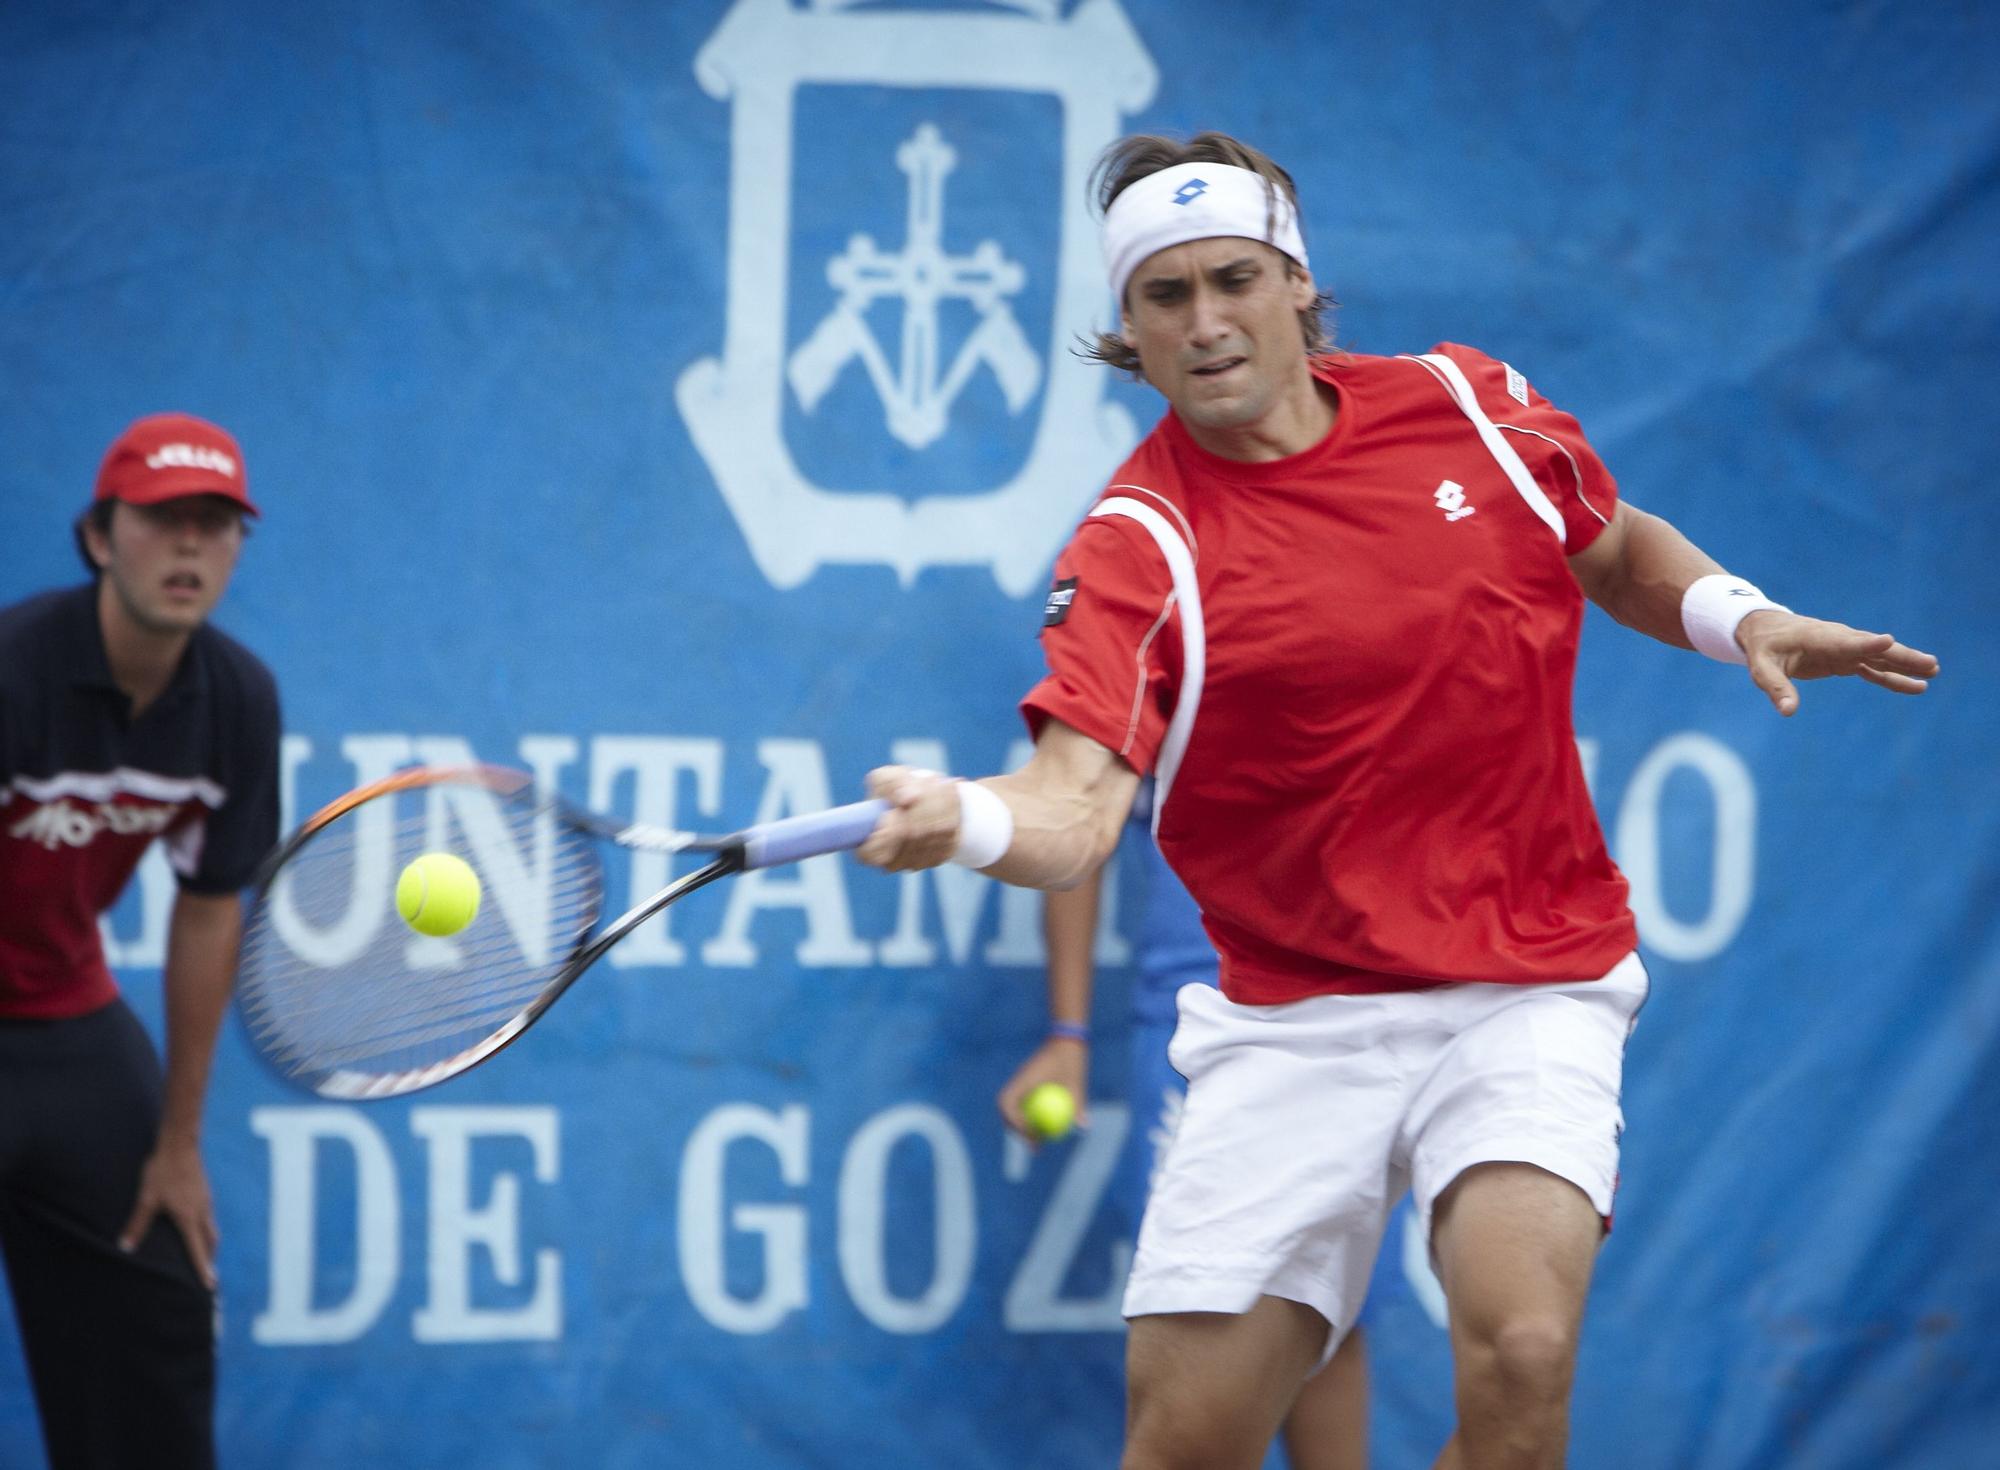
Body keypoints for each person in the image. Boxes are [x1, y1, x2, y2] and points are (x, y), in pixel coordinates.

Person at [858, 131, 1938, 1470]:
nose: (1206, 321)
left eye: (1234, 279)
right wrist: (963, 817)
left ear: (1300, 287)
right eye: (1166, 297)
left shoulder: (1468, 404)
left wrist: (1741, 615)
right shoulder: (1139, 545)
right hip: (1295, 1020)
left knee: (1524, 1355)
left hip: (1530, 977)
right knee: (1186, 1441)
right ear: (1126, 333)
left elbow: (1609, 546)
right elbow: (1074, 810)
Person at [0, 413, 280, 1470]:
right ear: (98, 537)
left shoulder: (238, 699)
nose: (191, 548)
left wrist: (176, 1143)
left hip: (68, 1032)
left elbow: (209, 907)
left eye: (215, 526)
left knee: (156, 1325)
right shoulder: (13, 670)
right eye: (164, 522)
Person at [998, 783, 1370, 1470]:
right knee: (1202, 1310)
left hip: (1352, 1013)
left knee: (1332, 1313)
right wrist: (1067, 1035)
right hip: (1195, 1033)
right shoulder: (1152, 678)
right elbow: (1079, 814)